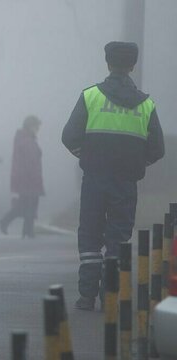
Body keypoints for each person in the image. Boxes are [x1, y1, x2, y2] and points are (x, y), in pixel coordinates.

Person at [62, 41, 164, 311]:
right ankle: (111, 295)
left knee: (90, 235)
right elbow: (158, 149)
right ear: (132, 66)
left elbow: (69, 136)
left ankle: (87, 296)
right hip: (126, 182)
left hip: (95, 178)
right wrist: (136, 164)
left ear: (108, 64)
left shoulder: (90, 96)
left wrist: (86, 156)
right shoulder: (146, 104)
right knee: (118, 237)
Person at [0, 116, 44, 238]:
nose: (38, 129)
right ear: (30, 126)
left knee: (27, 205)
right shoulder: (27, 141)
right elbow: (30, 162)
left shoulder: (26, 139)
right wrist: (32, 178)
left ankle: (26, 230)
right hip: (28, 179)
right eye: (36, 126)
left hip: (27, 178)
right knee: (28, 204)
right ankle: (23, 229)